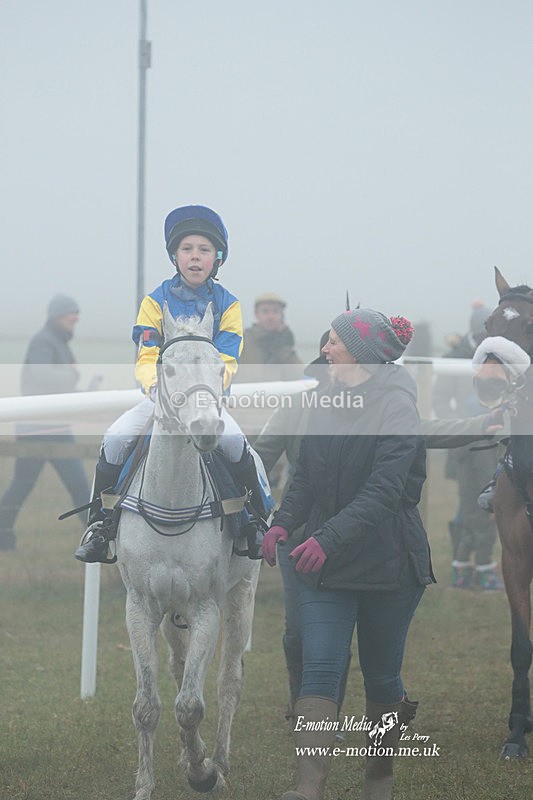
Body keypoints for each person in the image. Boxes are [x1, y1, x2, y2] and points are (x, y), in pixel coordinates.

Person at [262, 308, 434, 800]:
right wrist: (282, 523)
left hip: (390, 563)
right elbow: (308, 478)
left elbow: (385, 491)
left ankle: (378, 778)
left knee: (381, 675)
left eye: (333, 342)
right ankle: (308, 785)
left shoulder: (397, 407)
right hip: (325, 563)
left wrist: (327, 537)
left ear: (360, 353)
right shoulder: (325, 401)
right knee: (320, 665)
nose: (325, 349)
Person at [74, 205, 272, 564]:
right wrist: (154, 388)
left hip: (207, 401)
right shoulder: (153, 301)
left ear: (218, 258)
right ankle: (101, 525)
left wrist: (209, 394)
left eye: (204, 250)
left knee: (238, 447)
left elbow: (227, 359)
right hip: (160, 400)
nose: (195, 257)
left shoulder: (230, 305)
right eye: (187, 249)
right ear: (175, 256)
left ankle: (252, 523)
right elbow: (147, 353)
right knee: (114, 440)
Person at [0, 294, 91, 550]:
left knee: (72, 485)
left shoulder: (57, 341)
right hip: (40, 428)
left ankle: (98, 537)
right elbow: (42, 376)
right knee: (32, 486)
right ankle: (99, 537)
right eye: (71, 313)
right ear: (57, 316)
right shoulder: (44, 341)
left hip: (50, 426)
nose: (76, 317)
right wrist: (72, 374)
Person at [433, 301, 504, 590]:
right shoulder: (456, 359)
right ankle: (467, 565)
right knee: (469, 507)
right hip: (465, 445)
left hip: (495, 442)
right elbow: (440, 401)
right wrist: (463, 425)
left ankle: (471, 564)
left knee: (492, 504)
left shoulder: (500, 356)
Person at [234, 292, 303, 383]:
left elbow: (300, 374)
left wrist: (283, 348)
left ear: (282, 315)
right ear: (256, 314)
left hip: (278, 396)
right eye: (265, 311)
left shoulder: (284, 344)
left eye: (275, 311)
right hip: (246, 396)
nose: (270, 316)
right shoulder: (241, 341)